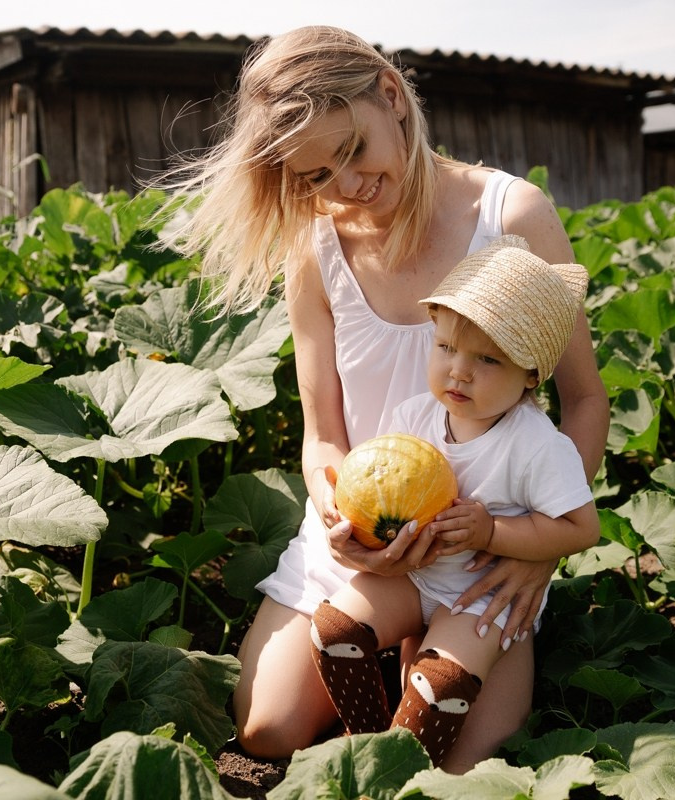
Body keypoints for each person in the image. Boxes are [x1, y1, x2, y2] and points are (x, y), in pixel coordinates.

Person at [158, 25, 608, 772]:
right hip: (368, 539)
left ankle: (408, 684)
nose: (345, 186)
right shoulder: (316, 244)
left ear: (391, 98)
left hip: (485, 540)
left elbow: (584, 399)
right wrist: (336, 513)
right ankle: (379, 680)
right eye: (315, 175)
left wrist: (540, 548)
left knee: (458, 766)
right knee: (266, 730)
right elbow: (323, 431)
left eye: (354, 151)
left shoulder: (512, 216)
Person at [309, 235, 600, 765]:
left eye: (487, 359)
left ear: (532, 374)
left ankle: (400, 772)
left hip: (480, 596)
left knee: (442, 686)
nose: (458, 371)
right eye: (445, 347)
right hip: (413, 577)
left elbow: (582, 529)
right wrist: (353, 521)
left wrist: (491, 533)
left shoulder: (537, 444)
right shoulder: (414, 417)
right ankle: (369, 744)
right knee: (335, 630)